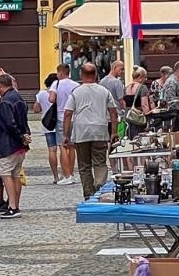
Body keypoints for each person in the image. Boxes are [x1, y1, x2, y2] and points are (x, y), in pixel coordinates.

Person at [64, 61, 118, 199]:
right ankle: (99, 185)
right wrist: (114, 132)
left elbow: (68, 113)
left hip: (81, 131)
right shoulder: (104, 91)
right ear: (95, 75)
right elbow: (113, 112)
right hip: (100, 131)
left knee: (84, 165)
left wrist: (66, 135)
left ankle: (88, 193)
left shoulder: (76, 92)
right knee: (100, 162)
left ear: (81, 74)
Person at [0, 72, 30, 218]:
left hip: (7, 145)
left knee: (6, 174)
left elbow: (9, 124)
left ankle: (12, 206)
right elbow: (24, 120)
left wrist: (20, 136)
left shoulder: (5, 102)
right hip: (19, 146)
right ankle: (16, 205)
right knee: (16, 175)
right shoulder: (19, 98)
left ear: (0, 85)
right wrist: (25, 135)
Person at [35, 72, 62, 184]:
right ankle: (66, 174)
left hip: (48, 125)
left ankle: (55, 176)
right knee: (64, 149)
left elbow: (36, 109)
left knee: (52, 150)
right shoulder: (59, 93)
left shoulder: (41, 94)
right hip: (60, 123)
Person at [52, 64, 77, 183]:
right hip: (74, 118)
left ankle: (66, 176)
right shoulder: (75, 85)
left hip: (61, 117)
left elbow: (51, 99)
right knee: (72, 147)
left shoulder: (56, 84)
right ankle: (71, 172)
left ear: (61, 73)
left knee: (62, 146)